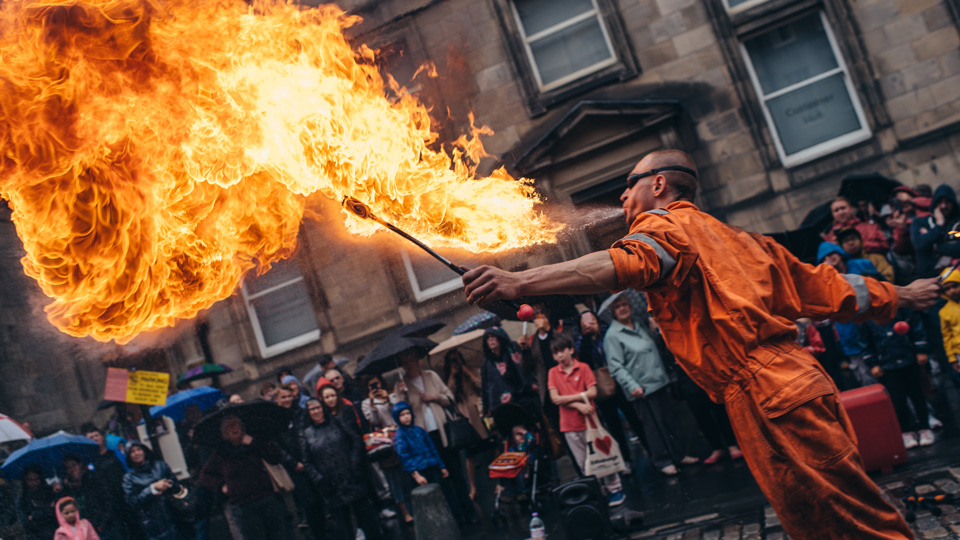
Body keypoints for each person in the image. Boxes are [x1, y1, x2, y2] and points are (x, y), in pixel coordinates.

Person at [461, 148, 941, 540]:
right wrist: (904, 293)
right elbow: (834, 288)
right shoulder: (749, 242)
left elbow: (622, 266)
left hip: (769, 390)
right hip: (785, 388)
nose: (623, 192)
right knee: (818, 524)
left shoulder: (663, 227)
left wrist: (520, 283)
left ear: (659, 185)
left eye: (631, 181)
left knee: (857, 521)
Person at [603, 294, 698, 475]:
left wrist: (654, 331)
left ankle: (679, 455)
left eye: (625, 304)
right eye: (618, 307)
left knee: (671, 422)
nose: (623, 308)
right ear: (613, 313)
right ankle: (663, 462)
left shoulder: (639, 324)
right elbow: (616, 367)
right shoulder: (613, 335)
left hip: (660, 381)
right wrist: (632, 386)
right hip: (641, 388)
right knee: (654, 428)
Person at [393, 349, 479, 525]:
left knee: (456, 474)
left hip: (444, 433)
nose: (409, 364)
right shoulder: (401, 384)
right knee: (441, 481)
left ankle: (469, 513)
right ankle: (453, 518)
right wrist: (403, 393)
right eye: (405, 361)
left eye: (412, 359)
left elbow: (449, 397)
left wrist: (435, 397)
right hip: (423, 440)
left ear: (418, 360)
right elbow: (399, 411)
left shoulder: (431, 375)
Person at [548, 335, 626, 507]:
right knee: (584, 463)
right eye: (556, 353)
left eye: (562, 350)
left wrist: (573, 398)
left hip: (591, 422)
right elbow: (555, 399)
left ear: (571, 349)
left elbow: (592, 392)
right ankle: (599, 492)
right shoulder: (553, 373)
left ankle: (615, 489)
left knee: (602, 456)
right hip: (569, 425)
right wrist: (579, 403)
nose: (560, 355)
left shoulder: (582, 368)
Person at [197, 415, 291, 540]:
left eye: (236, 424)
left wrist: (253, 442)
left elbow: (276, 456)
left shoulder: (255, 442)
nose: (234, 428)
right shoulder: (221, 453)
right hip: (244, 506)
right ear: (224, 432)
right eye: (229, 426)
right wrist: (221, 487)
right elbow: (204, 476)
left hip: (268, 499)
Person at [300, 399, 383, 540]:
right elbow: (307, 461)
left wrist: (355, 462)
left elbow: (356, 440)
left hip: (351, 476)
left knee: (367, 519)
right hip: (331, 485)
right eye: (312, 409)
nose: (316, 411)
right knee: (343, 528)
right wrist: (319, 479)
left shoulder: (337, 422)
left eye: (318, 407)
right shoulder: (306, 433)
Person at [575, 309, 645, 469]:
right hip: (601, 388)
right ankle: (625, 460)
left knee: (635, 418)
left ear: (597, 321)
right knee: (614, 426)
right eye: (584, 323)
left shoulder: (608, 334)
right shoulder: (581, 342)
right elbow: (584, 360)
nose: (589, 325)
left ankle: (650, 450)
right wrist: (587, 337)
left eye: (592, 320)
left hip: (619, 382)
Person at [860, 309, 933, 448]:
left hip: (910, 359)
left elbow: (917, 328)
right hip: (887, 365)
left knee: (917, 395)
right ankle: (906, 431)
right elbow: (864, 342)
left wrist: (921, 350)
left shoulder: (901, 309)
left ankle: (925, 428)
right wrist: (873, 363)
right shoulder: (865, 318)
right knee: (897, 399)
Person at [391, 402, 463, 526]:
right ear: (397, 418)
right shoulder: (400, 436)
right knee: (428, 501)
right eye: (402, 415)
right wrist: (415, 474)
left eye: (408, 413)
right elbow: (404, 457)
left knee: (444, 495)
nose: (406, 417)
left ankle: (452, 522)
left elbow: (432, 449)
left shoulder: (419, 430)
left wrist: (441, 466)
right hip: (420, 472)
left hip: (433, 467)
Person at [443, 349, 488, 500]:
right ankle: (473, 487)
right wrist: (452, 375)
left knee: (491, 447)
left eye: (457, 359)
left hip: (478, 412)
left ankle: (500, 481)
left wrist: (467, 373)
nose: (455, 363)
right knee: (470, 455)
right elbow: (450, 394)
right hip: (465, 416)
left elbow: (481, 387)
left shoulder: (471, 371)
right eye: (452, 361)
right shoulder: (450, 377)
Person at [121, 442, 180, 540]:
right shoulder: (129, 478)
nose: (136, 453)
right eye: (132, 451)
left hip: (173, 515)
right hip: (152, 523)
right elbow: (132, 501)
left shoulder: (161, 466)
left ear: (144, 451)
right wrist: (152, 489)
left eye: (139, 449)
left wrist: (167, 485)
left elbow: (176, 485)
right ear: (129, 456)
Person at [80, 423, 128, 540]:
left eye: (96, 435)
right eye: (91, 437)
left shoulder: (115, 453)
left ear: (102, 436)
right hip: (108, 506)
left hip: (124, 499)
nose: (95, 439)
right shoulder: (89, 462)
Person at [480, 326, 540, 418]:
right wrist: (486, 407)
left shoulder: (513, 348)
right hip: (507, 404)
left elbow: (527, 368)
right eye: (487, 337)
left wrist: (525, 349)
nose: (491, 339)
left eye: (493, 336)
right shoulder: (487, 362)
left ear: (500, 337)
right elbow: (486, 385)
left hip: (526, 396)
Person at [822, 196, 890, 273]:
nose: (840, 212)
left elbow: (885, 246)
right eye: (836, 210)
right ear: (832, 214)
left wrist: (861, 246)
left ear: (851, 208)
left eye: (843, 208)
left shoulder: (869, 227)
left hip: (876, 267)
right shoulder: (829, 237)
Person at [61, 455, 114, 539]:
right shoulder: (66, 486)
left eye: (74, 465)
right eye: (68, 467)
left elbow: (107, 500)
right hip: (81, 530)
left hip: (99, 525)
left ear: (80, 464)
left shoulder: (92, 478)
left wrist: (103, 522)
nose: (72, 469)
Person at [18, 464, 58, 540]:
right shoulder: (23, 500)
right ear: (25, 481)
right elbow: (26, 523)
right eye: (30, 480)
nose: (35, 482)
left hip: (55, 534)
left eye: (37, 479)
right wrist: (47, 509)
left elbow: (56, 513)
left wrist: (35, 515)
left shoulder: (50, 492)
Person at [939, 267, 960, 379]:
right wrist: (952, 359)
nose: (951, 291)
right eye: (947, 289)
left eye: (955, 286)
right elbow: (947, 336)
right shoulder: (944, 312)